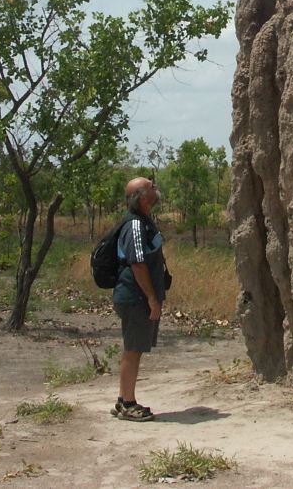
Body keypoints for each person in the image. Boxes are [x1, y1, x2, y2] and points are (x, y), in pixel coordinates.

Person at [111, 176, 168, 421]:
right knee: (133, 349)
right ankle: (128, 404)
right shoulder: (135, 225)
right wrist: (152, 299)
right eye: (151, 186)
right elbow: (137, 263)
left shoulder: (143, 221)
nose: (156, 188)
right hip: (135, 296)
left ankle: (123, 399)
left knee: (133, 348)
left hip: (137, 296)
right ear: (143, 197)